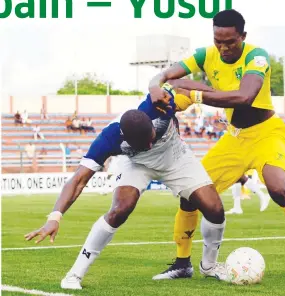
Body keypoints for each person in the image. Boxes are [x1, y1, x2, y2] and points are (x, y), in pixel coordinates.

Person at [148, 9, 285, 283]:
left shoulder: (256, 56)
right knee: (189, 194)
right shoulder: (205, 55)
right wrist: (156, 86)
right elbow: (165, 76)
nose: (224, 48)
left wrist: (195, 92)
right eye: (218, 41)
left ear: (243, 36)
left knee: (278, 189)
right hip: (234, 139)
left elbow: (244, 96)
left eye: (230, 42)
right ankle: (182, 263)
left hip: (267, 134)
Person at [24, 93, 227, 290]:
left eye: (152, 138)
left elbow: (181, 83)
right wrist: (55, 216)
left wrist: (162, 82)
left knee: (214, 208)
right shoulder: (109, 139)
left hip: (175, 156)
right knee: (120, 209)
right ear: (125, 139)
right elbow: (78, 180)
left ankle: (208, 266)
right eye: (144, 143)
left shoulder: (159, 104)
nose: (149, 144)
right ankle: (74, 274)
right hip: (137, 163)